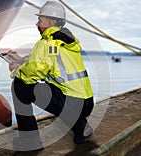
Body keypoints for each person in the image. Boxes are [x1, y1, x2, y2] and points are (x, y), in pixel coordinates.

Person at [7, 0, 94, 150]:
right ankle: (81, 127)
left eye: (39, 20)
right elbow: (50, 60)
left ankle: (30, 141)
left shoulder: (48, 42)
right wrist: (21, 61)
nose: (36, 24)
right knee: (50, 86)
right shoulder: (66, 41)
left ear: (49, 22)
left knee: (19, 85)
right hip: (86, 103)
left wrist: (16, 71)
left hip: (72, 105)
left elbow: (37, 69)